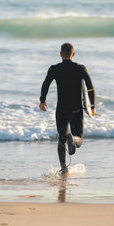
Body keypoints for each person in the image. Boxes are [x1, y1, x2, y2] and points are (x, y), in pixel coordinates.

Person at [39, 43, 95, 175]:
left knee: (61, 139)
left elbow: (45, 84)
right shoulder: (80, 68)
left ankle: (64, 168)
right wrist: (91, 107)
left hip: (61, 109)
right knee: (79, 139)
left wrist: (42, 100)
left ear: (60, 54)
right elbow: (90, 87)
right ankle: (74, 139)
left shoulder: (54, 69)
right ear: (73, 54)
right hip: (76, 109)